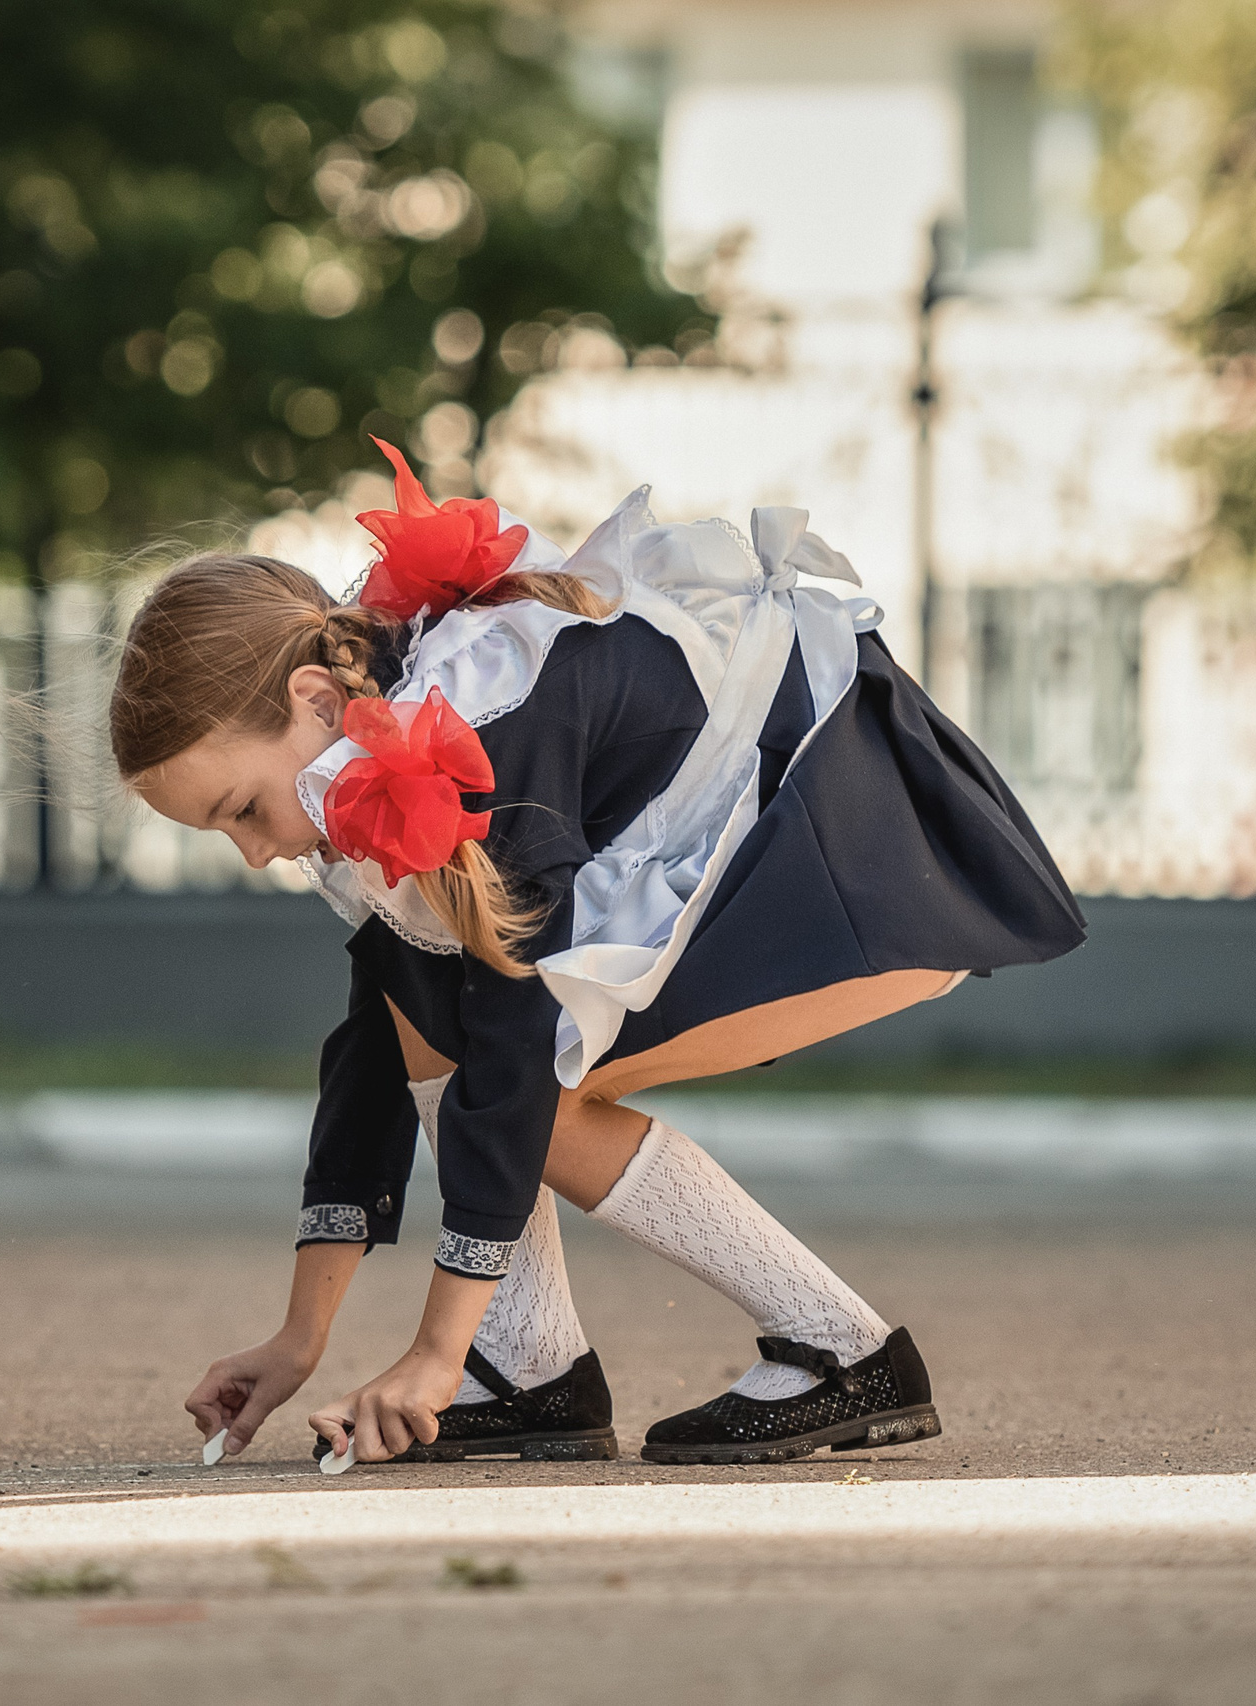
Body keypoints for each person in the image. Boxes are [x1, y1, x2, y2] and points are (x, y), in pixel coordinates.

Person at [114, 441, 1084, 1467]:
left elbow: (515, 1053)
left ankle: (846, 1351)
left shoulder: (478, 722)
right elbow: (379, 1046)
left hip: (859, 854)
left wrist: (435, 1353)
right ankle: (527, 1366)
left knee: (533, 1078)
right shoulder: (370, 756)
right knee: (424, 1004)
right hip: (789, 853)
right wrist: (298, 1336)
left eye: (241, 809)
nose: (254, 851)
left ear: (315, 699)